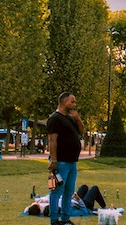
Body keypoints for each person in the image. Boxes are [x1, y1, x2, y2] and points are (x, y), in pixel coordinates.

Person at [46, 92, 84, 225]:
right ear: (63, 102)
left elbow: (81, 131)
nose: (74, 104)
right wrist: (54, 160)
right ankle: (54, 220)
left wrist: (78, 118)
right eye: (72, 102)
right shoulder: (55, 118)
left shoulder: (71, 118)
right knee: (56, 191)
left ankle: (66, 219)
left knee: (69, 192)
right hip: (61, 162)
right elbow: (52, 140)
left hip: (72, 162)